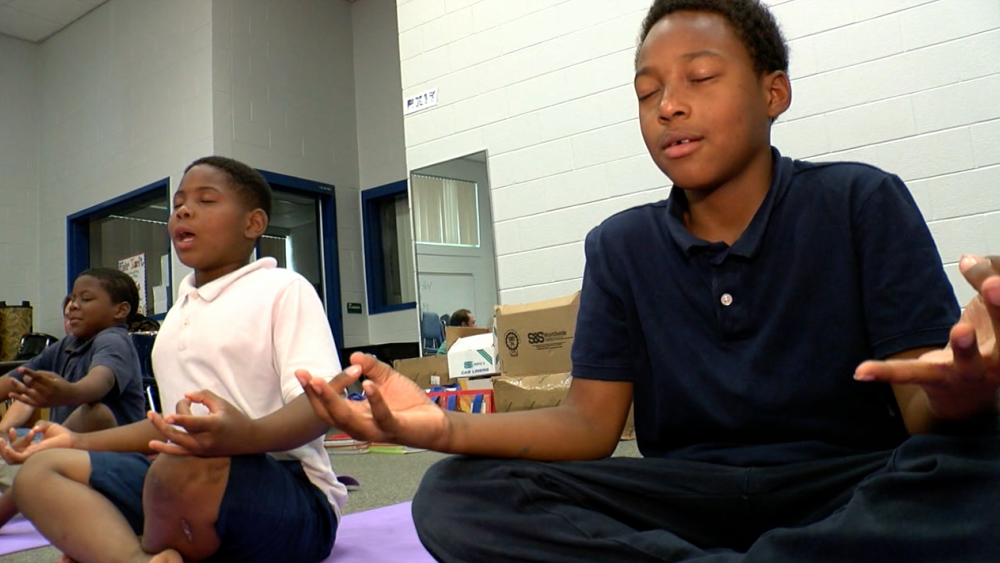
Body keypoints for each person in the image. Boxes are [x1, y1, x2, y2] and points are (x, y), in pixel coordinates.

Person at [294, 1, 1000, 562]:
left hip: (846, 484)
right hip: (684, 496)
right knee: (454, 494)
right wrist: (443, 425)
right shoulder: (620, 246)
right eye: (647, 90)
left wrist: (968, 391)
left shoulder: (861, 202)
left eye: (700, 77)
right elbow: (588, 425)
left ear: (773, 91)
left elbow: (922, 415)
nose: (667, 105)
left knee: (978, 470)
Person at [5, 156, 346, 563]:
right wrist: (78, 440)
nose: (183, 210)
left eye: (206, 200)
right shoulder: (176, 317)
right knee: (42, 471)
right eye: (179, 203)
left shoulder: (283, 288)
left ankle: (130, 547)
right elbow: (169, 431)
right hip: (181, 481)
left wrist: (244, 437)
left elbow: (324, 405)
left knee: (179, 465)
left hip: (290, 495)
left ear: (252, 224)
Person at [0, 268, 146, 527]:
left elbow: (100, 382)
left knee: (95, 413)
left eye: (86, 299)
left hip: (111, 467)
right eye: (71, 299)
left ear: (120, 311)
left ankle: (17, 495)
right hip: (65, 465)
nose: (73, 306)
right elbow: (14, 380)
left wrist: (68, 393)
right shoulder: (67, 345)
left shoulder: (113, 340)